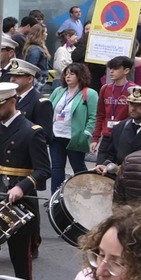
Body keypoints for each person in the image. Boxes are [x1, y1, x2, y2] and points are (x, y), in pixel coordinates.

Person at [0, 82, 49, 280]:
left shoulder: (31, 131)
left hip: (19, 202)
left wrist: (22, 187)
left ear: (13, 102)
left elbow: (43, 170)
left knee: (20, 256)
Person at [48, 63, 97, 193]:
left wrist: (87, 133)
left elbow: (94, 116)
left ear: (80, 75)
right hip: (56, 135)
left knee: (78, 167)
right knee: (57, 168)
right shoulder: (58, 91)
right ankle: (56, 197)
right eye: (66, 73)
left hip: (75, 137)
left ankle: (86, 194)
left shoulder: (89, 93)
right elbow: (48, 109)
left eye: (72, 73)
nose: (68, 76)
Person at [94, 86, 141, 178]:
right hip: (121, 180)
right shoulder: (120, 127)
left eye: (139, 105)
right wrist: (105, 165)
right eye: (131, 104)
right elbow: (111, 155)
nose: (133, 108)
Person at [95, 56, 135, 147]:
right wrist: (95, 138)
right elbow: (100, 115)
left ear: (126, 71)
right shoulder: (105, 88)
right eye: (111, 68)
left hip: (124, 135)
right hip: (106, 135)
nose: (111, 71)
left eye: (116, 68)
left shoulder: (134, 90)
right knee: (101, 161)